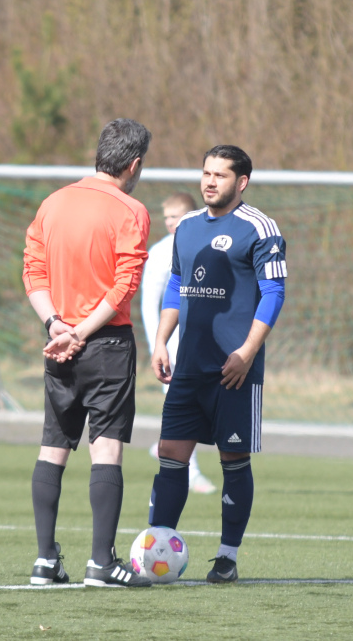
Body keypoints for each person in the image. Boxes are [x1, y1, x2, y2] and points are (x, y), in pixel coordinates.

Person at [23, 118, 153, 588]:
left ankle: (43, 561)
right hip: (106, 344)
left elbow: (32, 270)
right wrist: (81, 330)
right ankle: (101, 563)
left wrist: (56, 325)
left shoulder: (53, 202)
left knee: (53, 446)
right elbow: (124, 285)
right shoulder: (131, 210)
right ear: (134, 164)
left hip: (58, 342)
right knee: (107, 450)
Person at [148, 145, 286, 583]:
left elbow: (274, 294)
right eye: (206, 173)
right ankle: (159, 548)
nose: (209, 181)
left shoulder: (260, 228)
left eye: (220, 175)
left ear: (240, 182)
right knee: (170, 454)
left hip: (234, 369)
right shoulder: (186, 228)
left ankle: (227, 556)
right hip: (188, 365)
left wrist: (246, 352)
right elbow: (176, 284)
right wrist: (160, 341)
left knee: (232, 458)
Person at [140, 192, 217, 495]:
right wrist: (156, 344)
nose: (171, 223)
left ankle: (164, 448)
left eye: (177, 217)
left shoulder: (207, 243)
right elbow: (149, 304)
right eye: (167, 218)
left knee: (206, 405)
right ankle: (191, 472)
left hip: (204, 342)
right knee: (183, 406)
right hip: (173, 346)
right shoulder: (160, 252)